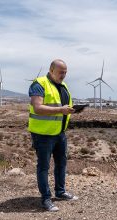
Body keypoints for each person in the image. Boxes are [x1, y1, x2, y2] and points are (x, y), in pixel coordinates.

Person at [28, 59, 78, 212]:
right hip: (43, 134)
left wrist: (70, 110)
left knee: (61, 164)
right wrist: (61, 110)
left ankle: (60, 192)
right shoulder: (39, 84)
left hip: (59, 133)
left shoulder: (63, 86)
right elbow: (37, 108)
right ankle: (46, 199)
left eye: (65, 72)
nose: (63, 75)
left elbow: (62, 108)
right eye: (60, 72)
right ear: (51, 70)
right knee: (43, 166)